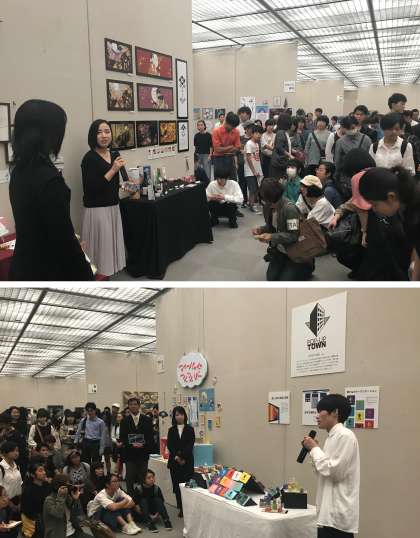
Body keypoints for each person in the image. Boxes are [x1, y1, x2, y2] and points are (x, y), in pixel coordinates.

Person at [8, 99, 93, 281]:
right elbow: (64, 242)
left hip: (23, 265)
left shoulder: (18, 171)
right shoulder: (49, 180)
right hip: (50, 271)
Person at [302, 394, 359, 538]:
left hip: (337, 515)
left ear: (335, 412)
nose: (317, 416)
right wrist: (313, 451)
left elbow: (334, 472)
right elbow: (323, 472)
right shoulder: (331, 437)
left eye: (321, 411)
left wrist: (315, 449)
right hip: (327, 513)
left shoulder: (345, 436)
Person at [81, 119, 126, 277]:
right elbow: (91, 188)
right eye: (99, 132)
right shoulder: (89, 158)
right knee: (101, 249)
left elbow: (119, 179)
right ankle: (98, 277)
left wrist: (128, 185)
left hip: (113, 206)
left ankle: (107, 275)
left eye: (107, 131)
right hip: (97, 210)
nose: (104, 135)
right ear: (93, 136)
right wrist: (113, 170)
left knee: (110, 247)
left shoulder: (114, 153)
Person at [359, 166, 420, 280]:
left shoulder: (414, 217)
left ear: (391, 197)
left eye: (375, 204)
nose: (374, 209)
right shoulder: (409, 204)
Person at [253, 180, 314, 281]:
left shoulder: (290, 209)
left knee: (285, 281)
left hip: (295, 249)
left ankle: (307, 265)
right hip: (280, 249)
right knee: (271, 278)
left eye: (267, 201)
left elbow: (293, 235)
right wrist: (261, 229)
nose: (265, 203)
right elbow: (272, 226)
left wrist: (272, 237)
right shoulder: (269, 206)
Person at [119, 396, 154, 497]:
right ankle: (131, 500)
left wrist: (143, 444)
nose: (133, 406)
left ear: (139, 406)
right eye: (131, 404)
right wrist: (131, 444)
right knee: (130, 478)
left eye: (135, 404)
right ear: (128, 406)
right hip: (130, 454)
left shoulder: (147, 420)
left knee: (143, 478)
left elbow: (150, 437)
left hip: (143, 454)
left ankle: (144, 499)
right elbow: (122, 438)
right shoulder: (124, 421)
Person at [334, 115, 372, 199]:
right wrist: (337, 175)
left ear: (357, 125)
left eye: (352, 127)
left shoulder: (366, 139)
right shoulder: (340, 142)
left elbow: (371, 158)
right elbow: (337, 161)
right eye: (347, 128)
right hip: (346, 178)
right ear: (343, 128)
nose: (350, 130)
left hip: (363, 177)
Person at [167, 407, 195, 518]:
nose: (179, 417)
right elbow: (170, 445)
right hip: (175, 462)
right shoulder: (171, 430)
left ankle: (188, 507)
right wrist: (177, 458)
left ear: (185, 415)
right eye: (177, 415)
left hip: (187, 462)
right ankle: (181, 507)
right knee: (177, 486)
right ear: (174, 417)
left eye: (181, 414)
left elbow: (190, 444)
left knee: (187, 485)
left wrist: (182, 457)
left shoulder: (190, 429)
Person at [43, 474, 90, 538]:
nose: (68, 488)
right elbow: (58, 514)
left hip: (73, 531)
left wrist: (75, 500)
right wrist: (61, 497)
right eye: (66, 486)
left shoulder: (67, 497)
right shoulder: (49, 500)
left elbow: (78, 514)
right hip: (59, 534)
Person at [21, 462, 51, 538]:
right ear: (32, 475)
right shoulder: (28, 490)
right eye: (40, 471)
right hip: (36, 523)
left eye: (44, 470)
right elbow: (26, 510)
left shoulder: (46, 485)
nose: (44, 473)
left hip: (47, 519)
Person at [211, 111, 240, 182]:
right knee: (219, 181)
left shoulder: (236, 131)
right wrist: (231, 147)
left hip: (230, 157)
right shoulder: (216, 131)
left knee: (233, 180)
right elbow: (217, 149)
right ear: (226, 122)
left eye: (234, 127)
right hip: (218, 158)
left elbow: (237, 148)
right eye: (231, 126)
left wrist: (223, 149)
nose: (232, 128)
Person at [1, 411, 28, 480]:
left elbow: (21, 451)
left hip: (14, 462)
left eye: (1, 424)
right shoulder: (2, 433)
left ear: (7, 423)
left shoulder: (16, 434)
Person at [244, 125, 264, 213]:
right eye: (256, 133)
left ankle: (251, 203)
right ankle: (251, 205)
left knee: (256, 188)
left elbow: (257, 158)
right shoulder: (249, 144)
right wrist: (254, 171)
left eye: (260, 133)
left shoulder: (256, 144)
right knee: (252, 189)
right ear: (252, 134)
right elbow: (248, 159)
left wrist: (258, 170)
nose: (259, 135)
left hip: (257, 170)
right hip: (250, 171)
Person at [0, 442, 22, 515]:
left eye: (17, 450)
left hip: (17, 500)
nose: (16, 453)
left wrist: (20, 502)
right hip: (5, 502)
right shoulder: (1, 467)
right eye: (13, 451)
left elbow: (19, 484)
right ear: (5, 453)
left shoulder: (17, 466)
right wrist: (10, 504)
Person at [270, 114, 293, 179]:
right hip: (279, 163)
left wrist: (293, 151)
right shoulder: (281, 132)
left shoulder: (284, 132)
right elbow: (279, 147)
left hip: (282, 162)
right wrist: (289, 155)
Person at [111, 412, 124, 478]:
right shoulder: (115, 426)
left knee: (121, 459)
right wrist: (116, 442)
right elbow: (113, 436)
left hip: (124, 444)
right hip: (117, 443)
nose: (118, 418)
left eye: (119, 417)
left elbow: (127, 435)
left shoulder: (126, 426)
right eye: (117, 417)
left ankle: (120, 473)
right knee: (117, 458)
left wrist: (122, 442)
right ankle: (117, 473)